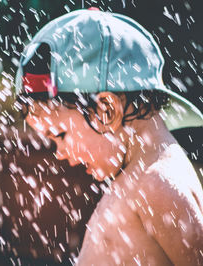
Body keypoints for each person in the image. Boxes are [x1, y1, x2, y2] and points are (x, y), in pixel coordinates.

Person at [14, 9, 203, 265]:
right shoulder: (139, 178)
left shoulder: (158, 184)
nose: (58, 153)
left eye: (59, 134)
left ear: (106, 110)